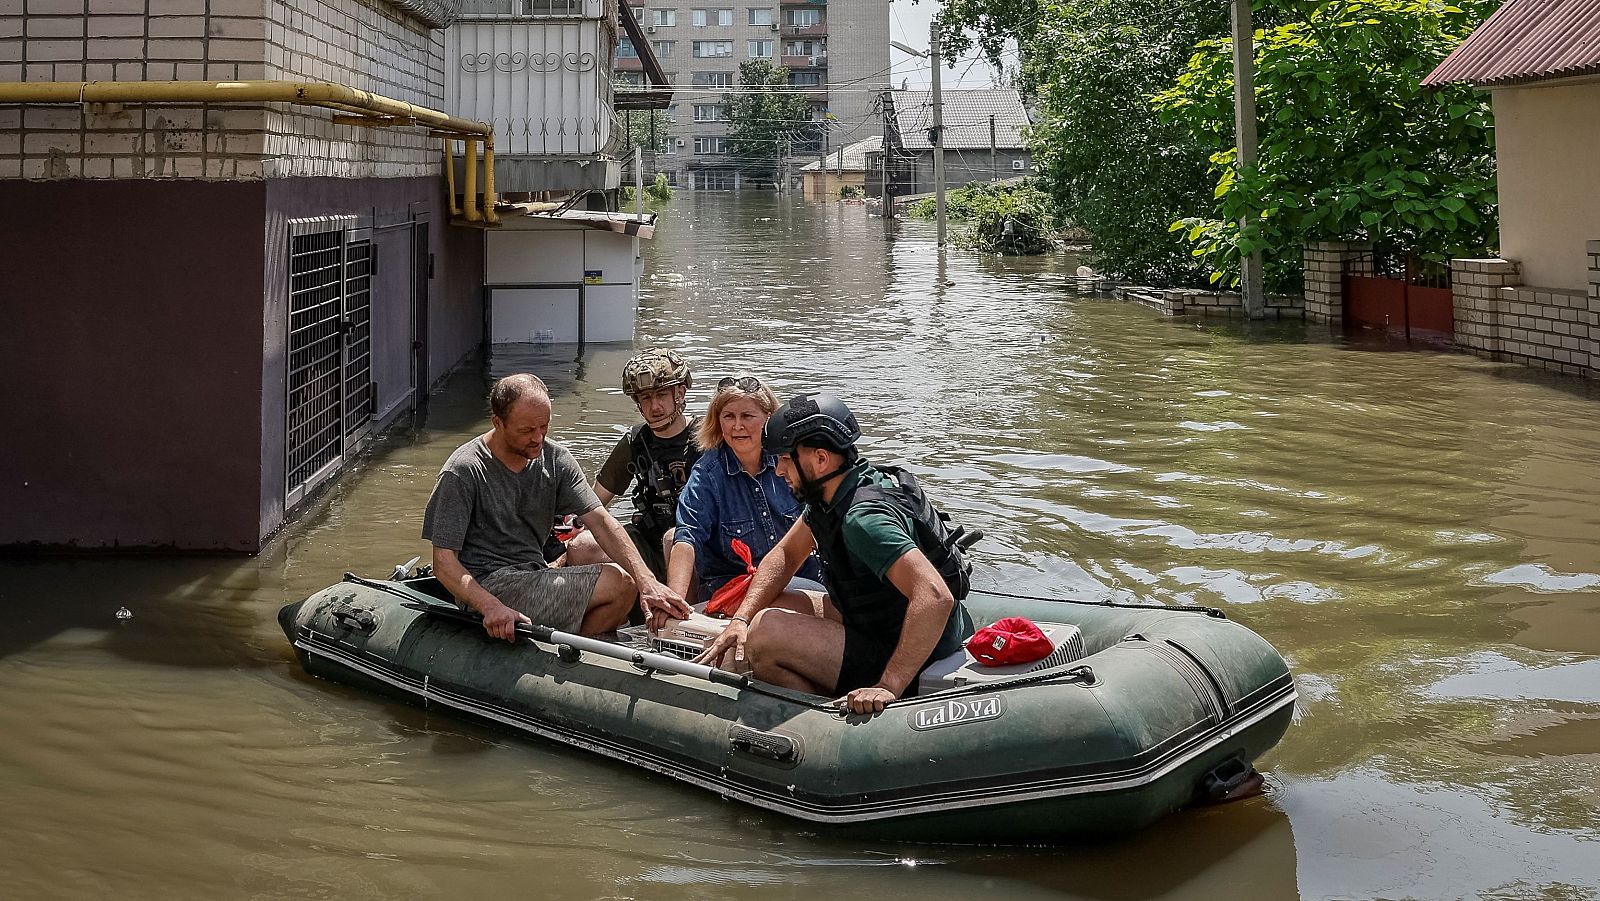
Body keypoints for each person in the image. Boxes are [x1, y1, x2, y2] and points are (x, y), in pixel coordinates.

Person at [694, 392, 975, 716]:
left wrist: (888, 685)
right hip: (883, 623)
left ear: (820, 459)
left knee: (765, 635)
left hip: (914, 653)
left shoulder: (862, 520)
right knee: (769, 604)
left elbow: (935, 597)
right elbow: (786, 555)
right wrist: (740, 620)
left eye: (786, 458)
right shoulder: (837, 492)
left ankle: (828, 724)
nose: (779, 470)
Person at [422, 373, 691, 641]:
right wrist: (490, 605)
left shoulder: (555, 459)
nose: (538, 438)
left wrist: (648, 581)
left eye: (544, 427)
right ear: (498, 422)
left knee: (625, 581)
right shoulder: (464, 470)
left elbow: (600, 521)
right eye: (526, 430)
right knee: (619, 584)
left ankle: (564, 654)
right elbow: (444, 563)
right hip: (489, 583)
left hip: (534, 573)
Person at [668, 375, 823, 610]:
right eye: (729, 416)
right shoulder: (707, 474)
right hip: (734, 588)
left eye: (747, 416)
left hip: (802, 579)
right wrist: (674, 601)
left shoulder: (792, 461)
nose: (737, 426)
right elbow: (686, 537)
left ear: (768, 418)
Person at [560, 349, 702, 584]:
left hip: (695, 544)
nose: (654, 406)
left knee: (673, 540)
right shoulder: (635, 443)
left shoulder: (705, 439)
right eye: (646, 398)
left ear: (680, 393)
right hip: (648, 541)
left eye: (661, 395)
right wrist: (573, 526)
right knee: (582, 547)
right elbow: (594, 503)